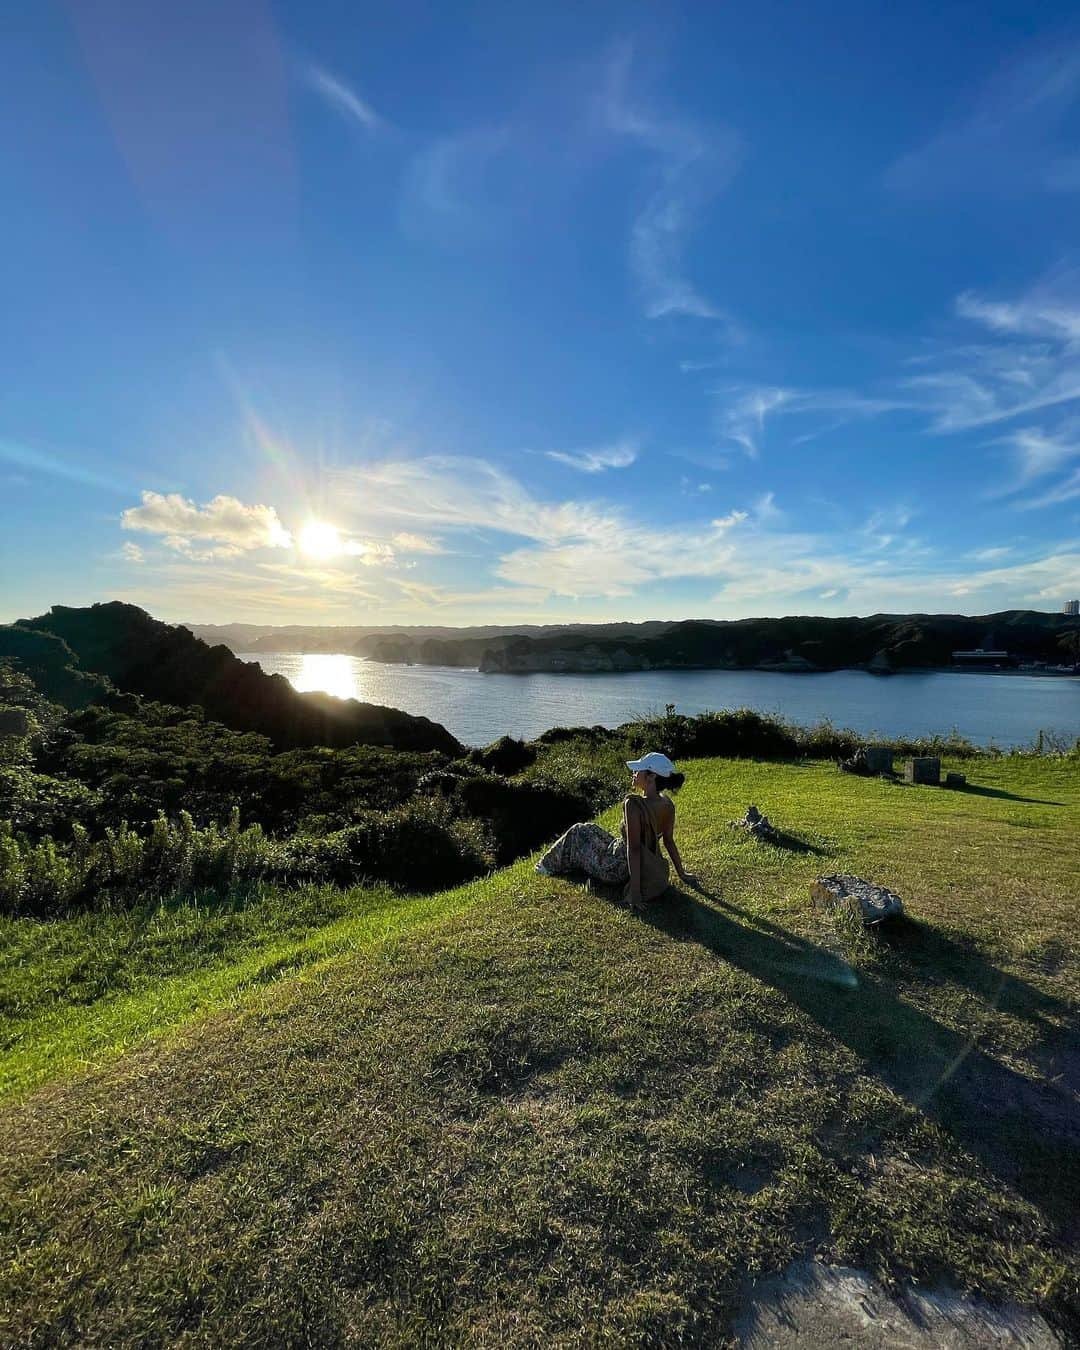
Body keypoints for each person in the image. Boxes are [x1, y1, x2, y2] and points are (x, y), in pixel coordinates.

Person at [535, 751, 697, 913]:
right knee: (588, 828)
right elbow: (668, 841)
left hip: (616, 867)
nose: (634, 773)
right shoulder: (667, 804)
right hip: (630, 857)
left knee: (577, 831)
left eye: (638, 770)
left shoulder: (633, 805)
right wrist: (681, 873)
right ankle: (561, 863)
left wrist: (635, 893)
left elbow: (633, 849)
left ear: (652, 776)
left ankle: (545, 866)